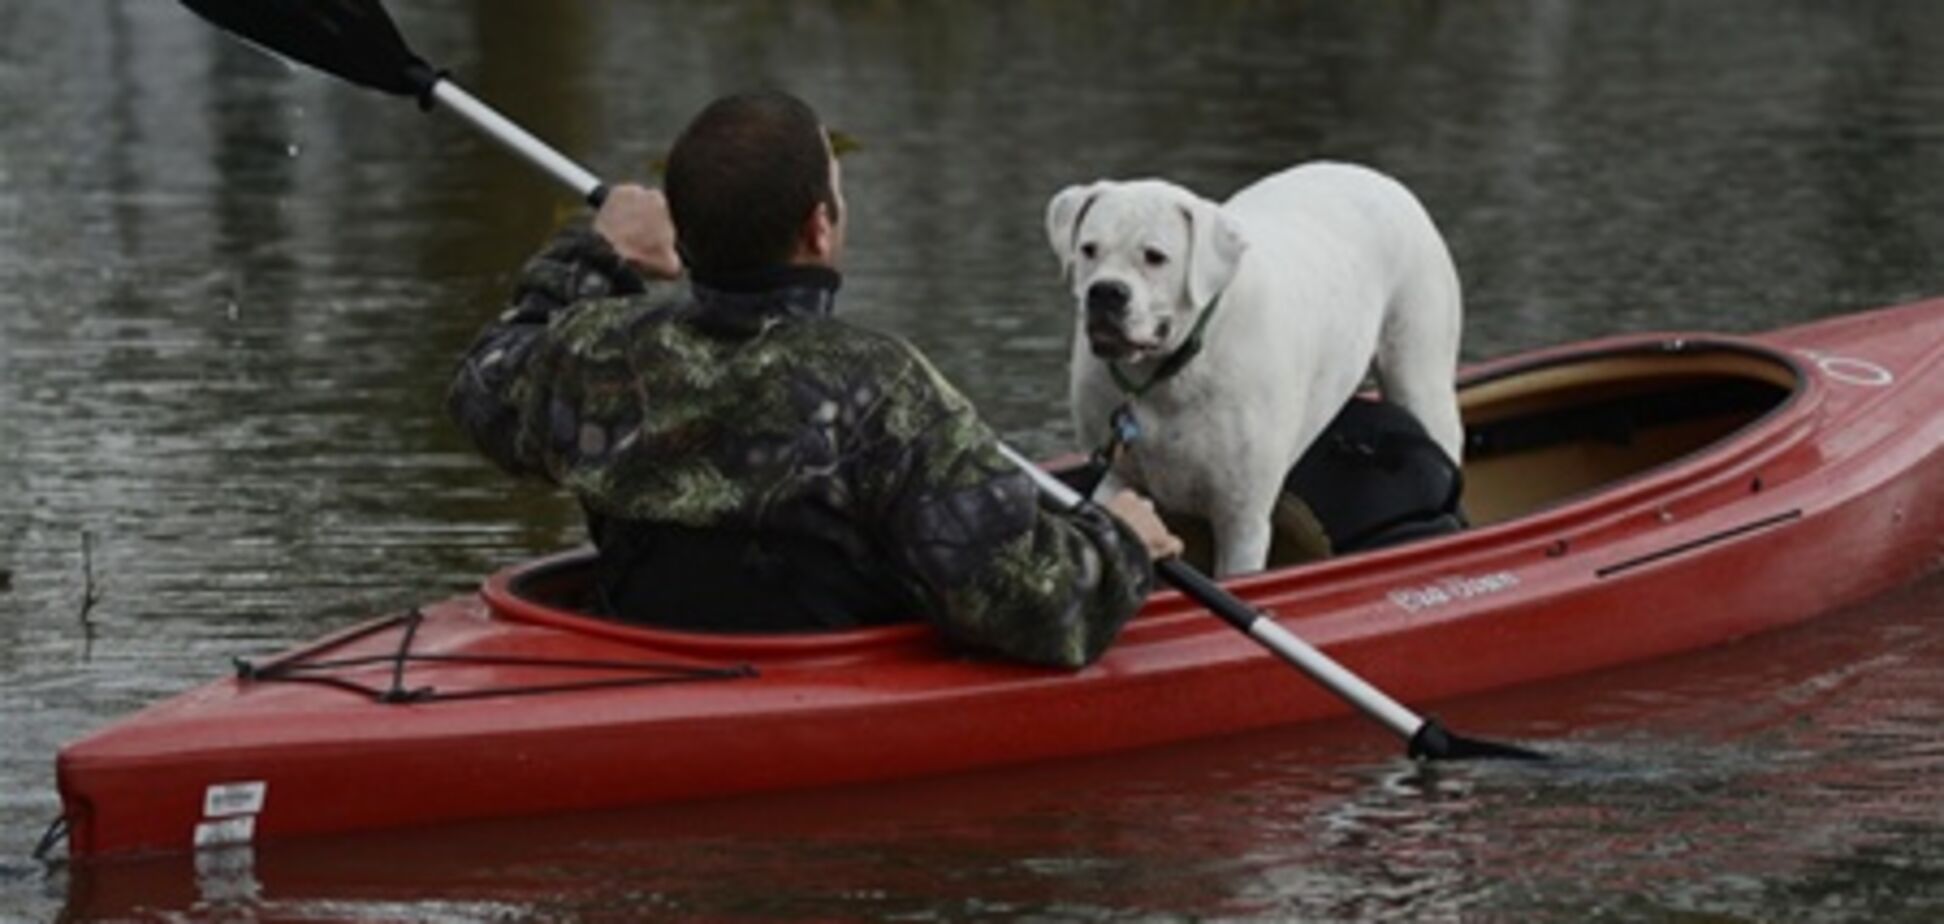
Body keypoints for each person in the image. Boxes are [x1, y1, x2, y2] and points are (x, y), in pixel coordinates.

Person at [448, 90, 1182, 668]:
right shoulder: (883, 386)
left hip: (645, 649)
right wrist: (1118, 543)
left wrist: (596, 250)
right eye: (837, 193)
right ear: (819, 228)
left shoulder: (597, 348)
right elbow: (1038, 610)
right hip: (814, 669)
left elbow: (483, 385)